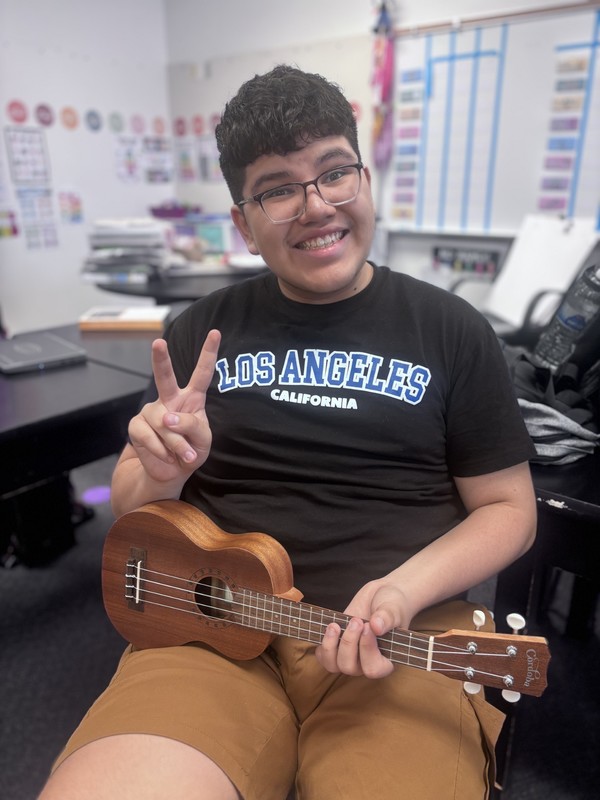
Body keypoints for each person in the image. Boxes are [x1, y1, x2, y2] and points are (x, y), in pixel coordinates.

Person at [40, 65, 537, 800]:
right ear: (244, 223)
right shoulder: (200, 332)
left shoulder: (453, 331)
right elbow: (131, 504)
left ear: (365, 180)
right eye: (278, 189)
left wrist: (402, 592)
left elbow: (509, 509)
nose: (316, 206)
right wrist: (166, 470)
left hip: (401, 638)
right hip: (210, 631)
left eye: (334, 172)